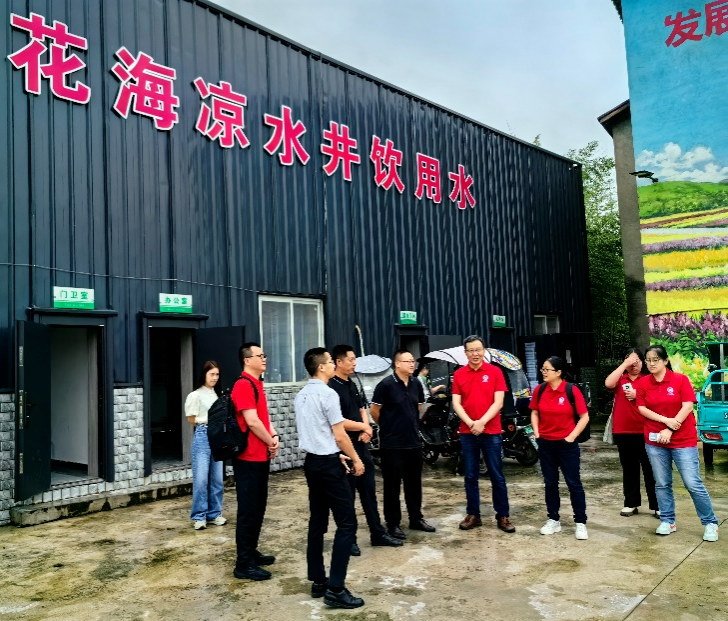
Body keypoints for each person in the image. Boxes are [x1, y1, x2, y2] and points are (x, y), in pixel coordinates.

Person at [295, 347, 366, 610]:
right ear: (322, 367)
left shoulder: (301, 395)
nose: (334, 366)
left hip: (313, 463)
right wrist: (356, 459)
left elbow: (318, 433)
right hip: (328, 466)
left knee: (318, 521)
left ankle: (318, 580)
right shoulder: (328, 394)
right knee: (347, 524)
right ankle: (336, 589)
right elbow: (339, 434)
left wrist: (336, 454)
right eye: (330, 362)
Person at [636, 345, 719, 542]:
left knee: (692, 483)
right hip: (655, 441)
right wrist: (666, 422)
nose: (651, 363)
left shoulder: (680, 380)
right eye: (648, 360)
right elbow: (642, 408)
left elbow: (687, 406)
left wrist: (670, 428)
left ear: (665, 361)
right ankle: (667, 520)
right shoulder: (643, 383)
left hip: (683, 440)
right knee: (662, 483)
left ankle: (710, 523)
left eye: (656, 359)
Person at [329, 345, 403, 554]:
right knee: (348, 496)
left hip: (362, 444)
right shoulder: (331, 387)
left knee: (369, 492)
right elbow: (337, 421)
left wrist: (367, 427)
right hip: (345, 446)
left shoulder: (352, 383)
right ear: (339, 362)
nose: (354, 363)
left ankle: (377, 533)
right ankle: (349, 539)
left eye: (355, 359)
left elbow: (362, 408)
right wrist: (362, 427)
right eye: (351, 359)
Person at [451, 335, 515, 533]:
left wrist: (481, 422)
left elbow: (499, 402)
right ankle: (473, 514)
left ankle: (502, 515)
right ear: (465, 353)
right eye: (471, 350)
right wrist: (471, 423)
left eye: (478, 349)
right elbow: (456, 403)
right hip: (467, 432)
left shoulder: (495, 372)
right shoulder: (459, 374)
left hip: (491, 431)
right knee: (470, 475)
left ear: (484, 350)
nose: (475, 354)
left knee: (497, 475)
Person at [371, 350, 436, 539]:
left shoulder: (416, 383)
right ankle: (393, 524)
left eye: (413, 361)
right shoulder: (385, 385)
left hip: (413, 442)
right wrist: (389, 426)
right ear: (397, 363)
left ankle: (416, 518)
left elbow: (418, 407)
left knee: (414, 484)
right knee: (392, 486)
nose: (412, 364)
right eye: (407, 361)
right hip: (392, 444)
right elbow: (374, 411)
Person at [231, 342, 280, 581]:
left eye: (264, 354)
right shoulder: (243, 385)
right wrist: (271, 441)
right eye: (259, 355)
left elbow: (263, 418)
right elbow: (251, 421)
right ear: (247, 360)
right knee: (249, 510)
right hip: (248, 458)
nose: (264, 359)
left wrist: (274, 436)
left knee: (258, 507)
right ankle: (243, 564)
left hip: (260, 455)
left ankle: (251, 551)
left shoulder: (256, 383)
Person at [530, 356, 590, 540]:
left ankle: (580, 522)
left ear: (558, 372)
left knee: (573, 483)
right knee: (550, 483)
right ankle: (553, 519)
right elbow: (534, 412)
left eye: (547, 369)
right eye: (543, 369)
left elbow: (584, 416)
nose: (543, 372)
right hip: (546, 444)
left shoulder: (571, 390)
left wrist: (571, 437)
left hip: (566, 445)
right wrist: (537, 433)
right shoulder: (540, 390)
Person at [605, 348, 658, 518]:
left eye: (636, 361)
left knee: (651, 469)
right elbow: (608, 384)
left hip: (646, 429)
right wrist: (624, 365)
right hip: (623, 430)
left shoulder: (649, 379)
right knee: (629, 469)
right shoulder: (620, 379)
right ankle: (631, 503)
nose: (633, 364)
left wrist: (638, 395)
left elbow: (657, 400)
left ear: (643, 362)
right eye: (629, 360)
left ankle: (657, 505)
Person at [185, 360, 226, 530]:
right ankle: (199, 516)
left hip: (217, 437)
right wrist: (207, 423)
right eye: (212, 374)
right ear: (204, 375)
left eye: (217, 374)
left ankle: (214, 513)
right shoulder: (195, 395)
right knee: (201, 479)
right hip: (203, 435)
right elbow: (191, 419)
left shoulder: (217, 395)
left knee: (217, 479)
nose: (215, 377)